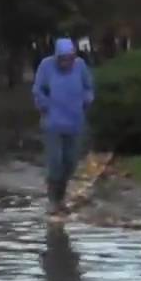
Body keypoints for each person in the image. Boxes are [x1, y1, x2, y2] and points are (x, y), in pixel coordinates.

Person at [32, 37, 94, 215]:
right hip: (53, 122)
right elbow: (37, 89)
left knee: (70, 162)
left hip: (75, 121)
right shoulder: (46, 66)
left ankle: (61, 195)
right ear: (57, 57)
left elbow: (89, 87)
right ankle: (54, 200)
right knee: (55, 162)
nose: (67, 62)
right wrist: (44, 105)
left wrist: (87, 99)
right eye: (63, 59)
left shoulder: (80, 66)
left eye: (70, 58)